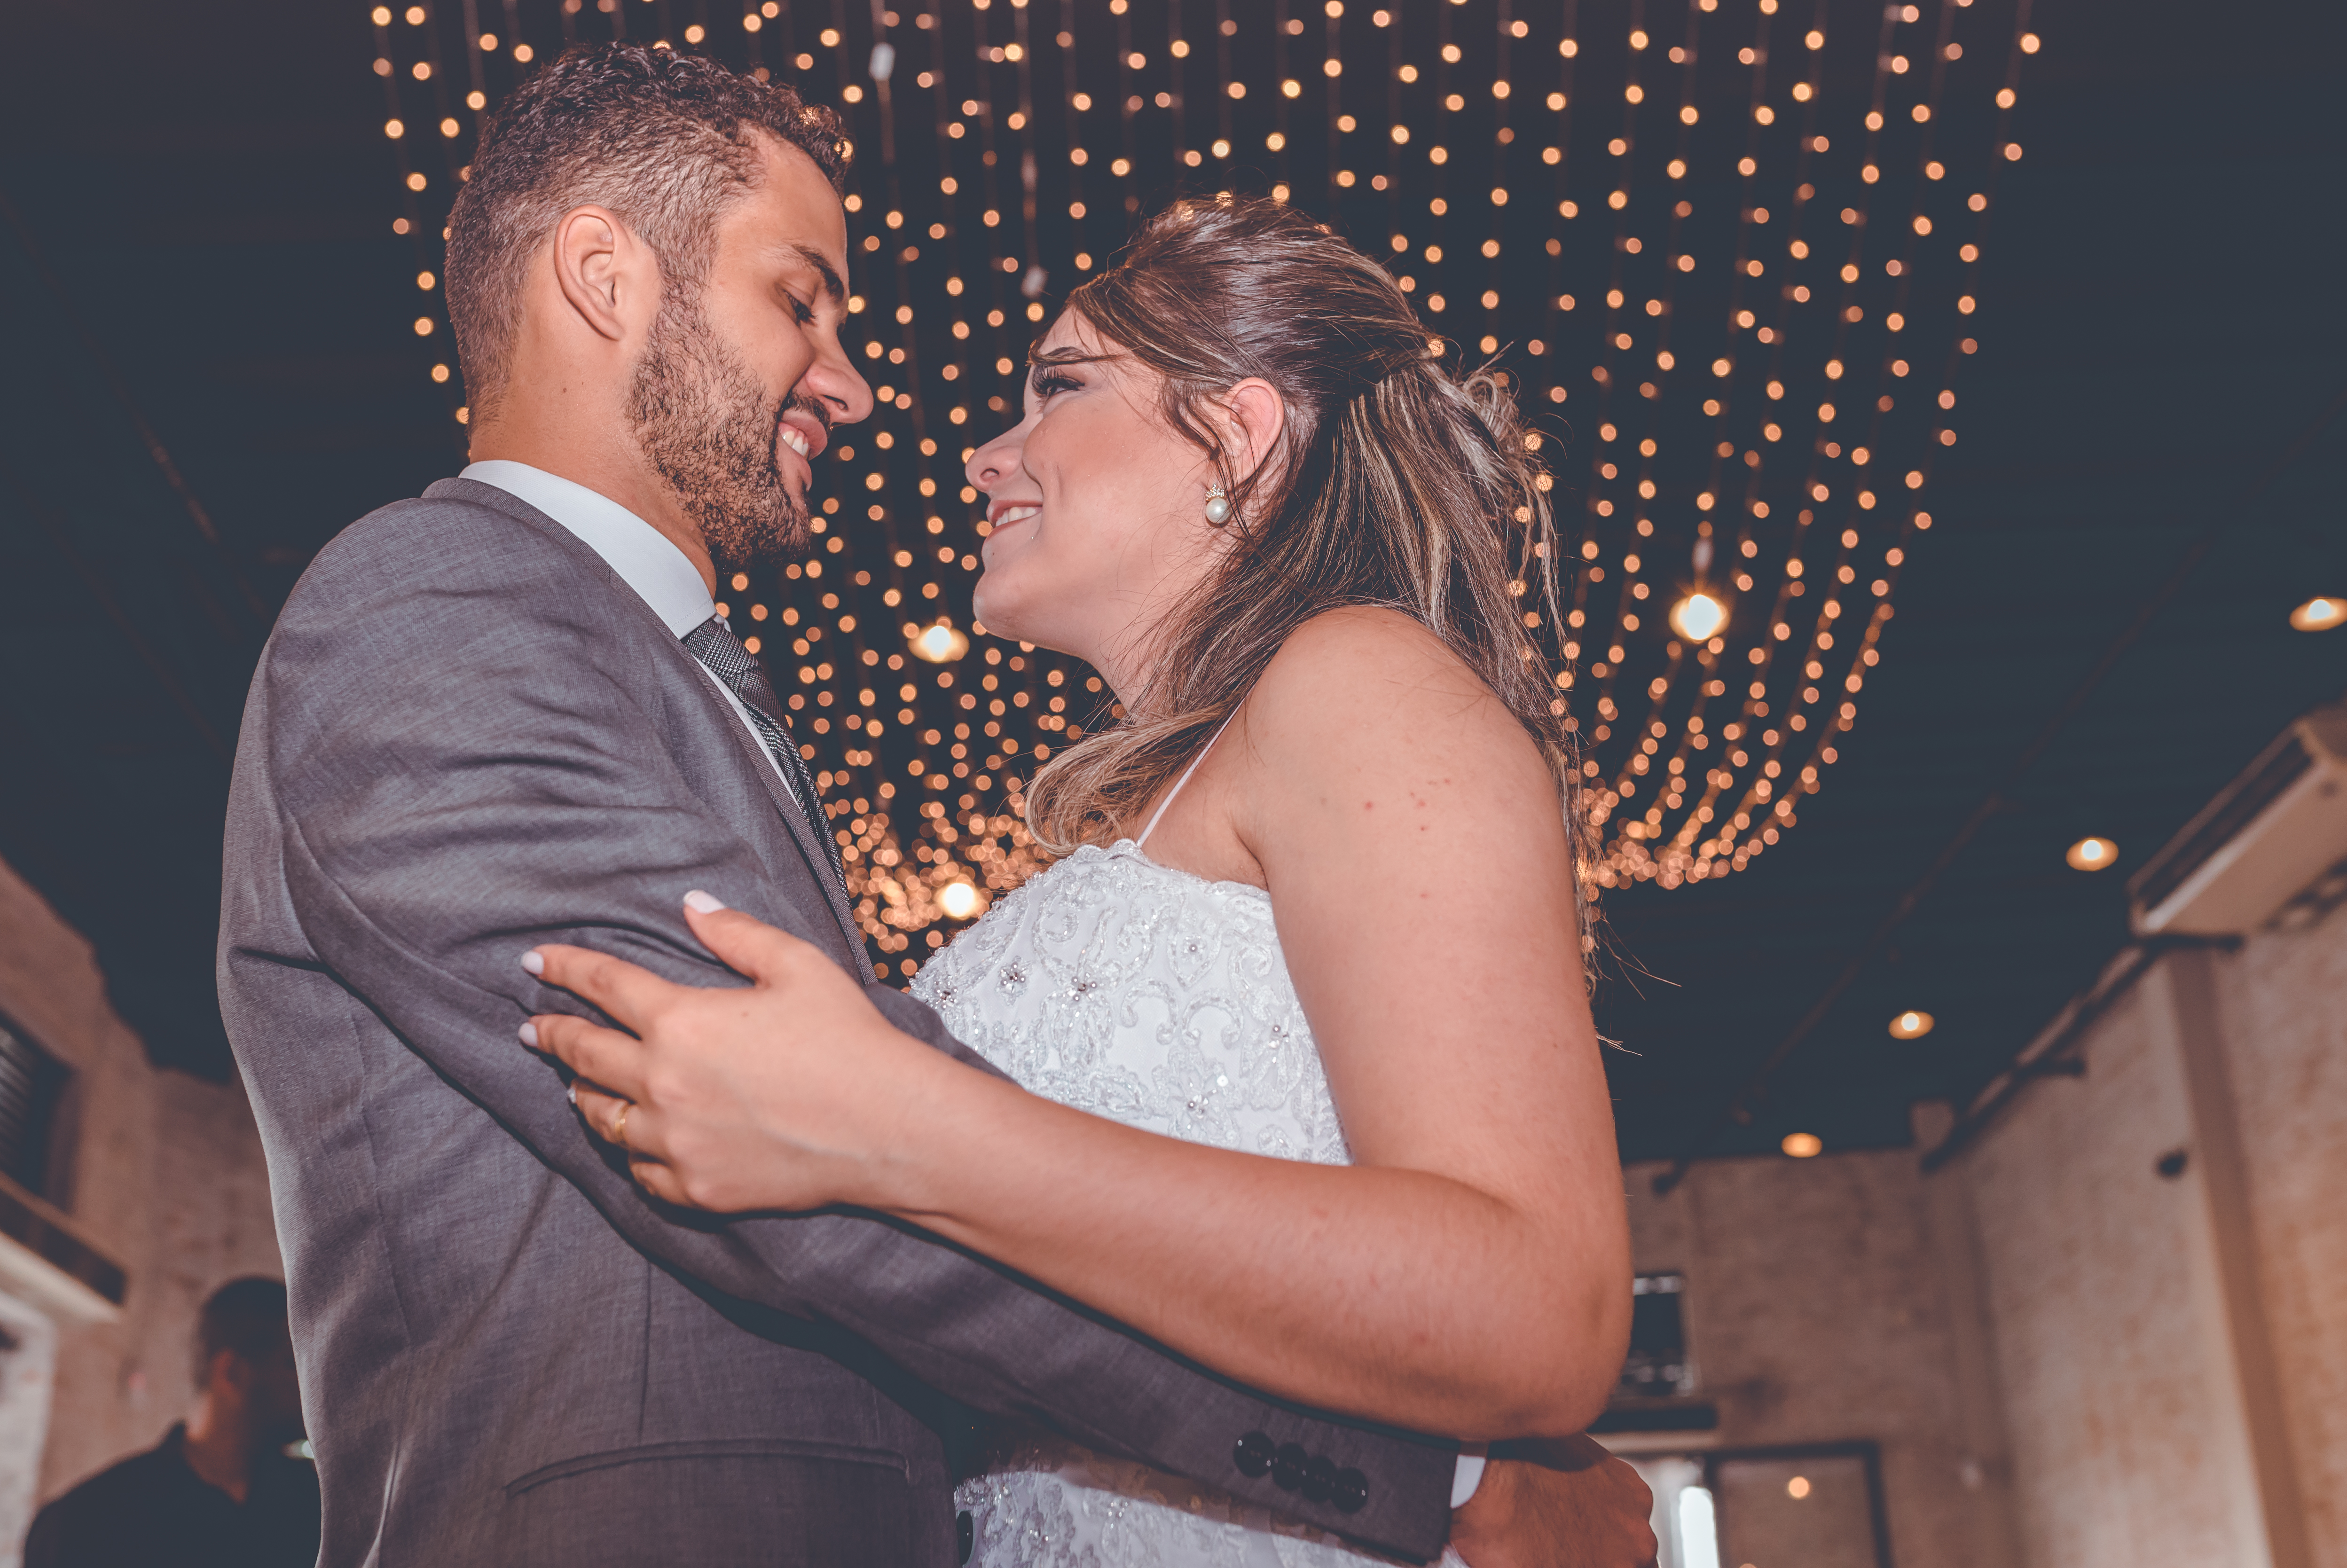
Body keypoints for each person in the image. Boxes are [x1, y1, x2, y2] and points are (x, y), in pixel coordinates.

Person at [216, 41, 1648, 1568]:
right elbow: (781, 1154)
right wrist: (1426, 1478)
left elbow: (845, 1133)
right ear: (602, 275)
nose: (859, 383)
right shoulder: (438, 608)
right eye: (798, 297)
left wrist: (907, 1122)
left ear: (1233, 439)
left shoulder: (1339, 688)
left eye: (1057, 389)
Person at [25, 1278, 318, 1568]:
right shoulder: (86, 1522)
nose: (312, 1387)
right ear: (232, 1372)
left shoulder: (314, 1507)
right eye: (293, 1365)